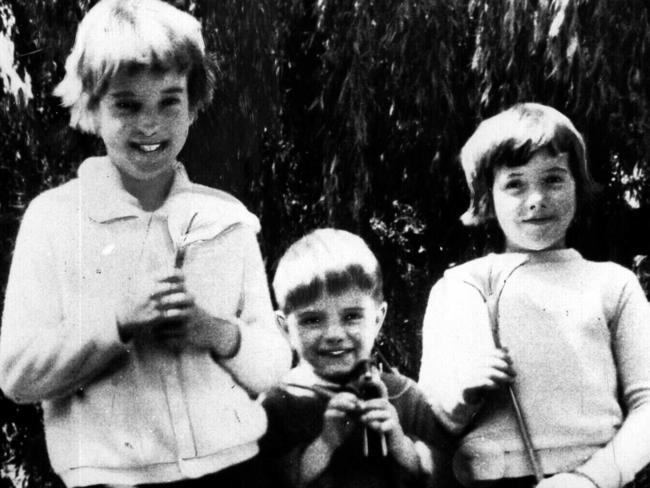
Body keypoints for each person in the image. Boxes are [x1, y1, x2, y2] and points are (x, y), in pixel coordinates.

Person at [0, 1, 292, 486]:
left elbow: (275, 365)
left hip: (236, 468)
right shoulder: (53, 220)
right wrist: (117, 321)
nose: (151, 125)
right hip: (111, 479)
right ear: (92, 106)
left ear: (193, 103)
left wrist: (218, 332)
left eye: (169, 100)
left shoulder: (227, 217)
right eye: (127, 104)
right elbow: (16, 373)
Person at [418, 103, 650, 488]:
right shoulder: (461, 287)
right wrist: (460, 396)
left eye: (554, 179)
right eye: (515, 184)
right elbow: (427, 425)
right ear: (486, 196)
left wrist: (592, 479)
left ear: (578, 182)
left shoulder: (612, 284)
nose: (536, 198)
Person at [262, 228, 453, 488]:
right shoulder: (277, 404)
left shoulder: (405, 396)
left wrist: (400, 443)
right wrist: (325, 443)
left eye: (351, 316)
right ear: (285, 328)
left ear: (378, 318)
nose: (334, 334)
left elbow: (449, 474)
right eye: (312, 320)